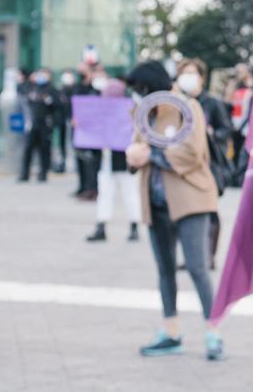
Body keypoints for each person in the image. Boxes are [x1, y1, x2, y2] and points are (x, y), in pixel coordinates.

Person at [124, 60, 223, 361]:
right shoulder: (146, 113)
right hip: (155, 202)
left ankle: (214, 332)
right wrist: (133, 157)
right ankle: (171, 332)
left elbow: (192, 153)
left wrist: (151, 154)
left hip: (190, 199)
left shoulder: (186, 106)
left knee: (197, 268)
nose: (137, 95)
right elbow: (135, 150)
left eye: (140, 89)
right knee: (165, 270)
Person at [174, 58, 233, 270]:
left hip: (209, 165)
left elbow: (226, 129)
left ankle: (209, 256)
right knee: (185, 211)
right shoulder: (176, 103)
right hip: (184, 166)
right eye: (184, 73)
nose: (188, 77)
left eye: (192, 73)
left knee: (210, 212)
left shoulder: (212, 103)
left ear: (201, 77)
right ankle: (191, 257)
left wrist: (211, 135)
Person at [85, 73, 141, 243]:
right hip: (107, 159)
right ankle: (101, 225)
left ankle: (133, 226)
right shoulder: (103, 111)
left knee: (129, 194)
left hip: (126, 160)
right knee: (105, 194)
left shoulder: (132, 110)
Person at [20, 68, 60, 183]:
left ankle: (43, 173)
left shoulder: (52, 90)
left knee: (44, 150)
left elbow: (58, 107)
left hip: (45, 124)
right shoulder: (32, 87)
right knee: (28, 148)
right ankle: (24, 174)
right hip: (32, 123)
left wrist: (53, 121)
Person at [71, 64, 102, 201]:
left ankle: (93, 189)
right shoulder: (78, 88)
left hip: (95, 130)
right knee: (81, 159)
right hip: (80, 129)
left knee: (92, 161)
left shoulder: (99, 88)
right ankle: (83, 187)